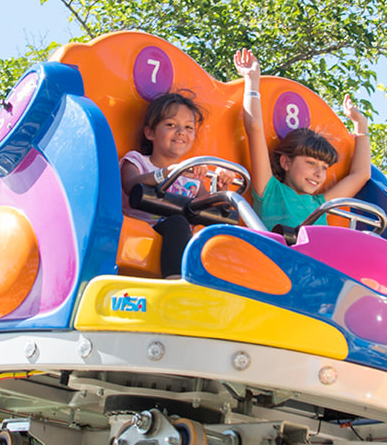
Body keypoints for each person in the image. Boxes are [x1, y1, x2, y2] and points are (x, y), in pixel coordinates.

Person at [236, 48, 373, 230]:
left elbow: (361, 175)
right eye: (310, 163)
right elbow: (254, 128)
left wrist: (361, 125)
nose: (319, 173)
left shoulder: (319, 205)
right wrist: (252, 80)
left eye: (324, 168)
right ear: (285, 162)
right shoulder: (271, 192)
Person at [119, 91, 219, 278]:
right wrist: (166, 174)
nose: (181, 132)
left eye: (188, 128)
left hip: (180, 243)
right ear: (150, 132)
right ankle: (175, 280)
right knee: (177, 222)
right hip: (141, 237)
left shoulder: (193, 177)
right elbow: (130, 185)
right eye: (171, 125)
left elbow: (211, 209)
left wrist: (220, 185)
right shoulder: (137, 161)